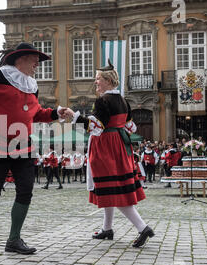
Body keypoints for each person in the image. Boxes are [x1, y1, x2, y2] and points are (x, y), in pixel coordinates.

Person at [0, 42, 69, 254]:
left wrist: (56, 113)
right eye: (34, 59)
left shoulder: (31, 84)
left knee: (26, 190)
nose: (38, 63)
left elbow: (36, 113)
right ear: (20, 58)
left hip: (24, 145)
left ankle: (14, 239)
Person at [65, 60, 154, 248]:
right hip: (119, 145)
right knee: (111, 187)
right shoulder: (123, 100)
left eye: (98, 79)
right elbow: (130, 126)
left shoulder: (102, 100)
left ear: (108, 80)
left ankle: (142, 227)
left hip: (106, 146)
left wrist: (74, 116)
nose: (96, 82)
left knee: (115, 190)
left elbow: (95, 127)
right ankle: (107, 228)